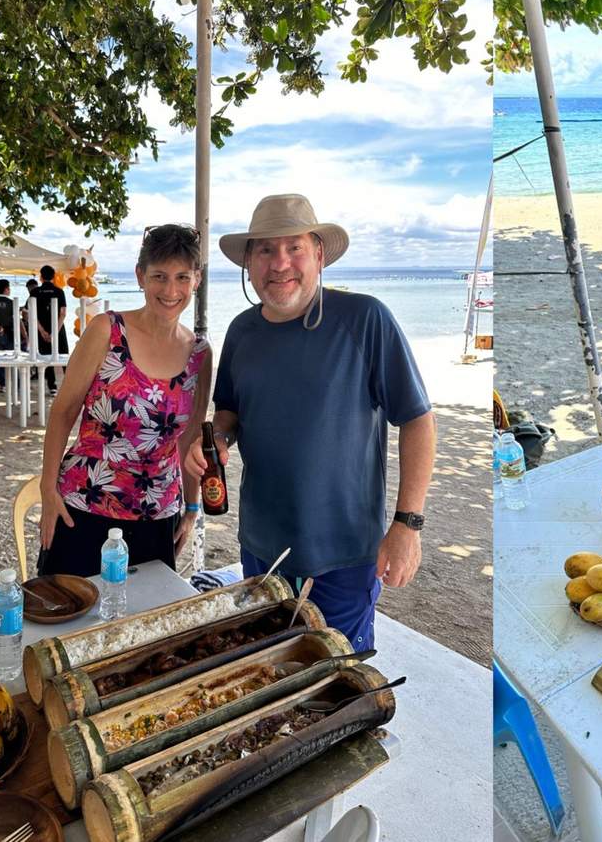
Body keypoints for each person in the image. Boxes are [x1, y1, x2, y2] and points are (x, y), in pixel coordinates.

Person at [185, 194, 436, 651]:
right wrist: (217, 438)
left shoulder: (365, 319)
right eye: (264, 250)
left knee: (339, 678)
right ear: (248, 262)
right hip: (259, 545)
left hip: (343, 553)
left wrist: (407, 525)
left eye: (293, 247)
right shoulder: (241, 330)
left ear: (319, 255)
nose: (280, 263)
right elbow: (229, 412)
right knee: (269, 665)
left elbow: (417, 419)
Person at [38, 225, 211, 577]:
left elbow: (191, 437)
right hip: (84, 504)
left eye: (182, 277)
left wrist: (191, 508)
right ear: (140, 276)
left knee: (143, 627)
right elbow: (64, 411)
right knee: (68, 619)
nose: (170, 290)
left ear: (197, 279)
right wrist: (47, 490)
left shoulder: (200, 354)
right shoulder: (107, 330)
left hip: (158, 513)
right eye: (159, 276)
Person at [34, 265, 68, 395]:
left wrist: (42, 331)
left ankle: (52, 386)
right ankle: (68, 385)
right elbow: (63, 313)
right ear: (54, 277)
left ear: (41, 277)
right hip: (58, 329)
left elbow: (32, 314)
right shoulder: (59, 292)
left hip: (42, 329)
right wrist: (55, 332)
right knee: (64, 356)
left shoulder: (35, 292)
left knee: (46, 358)